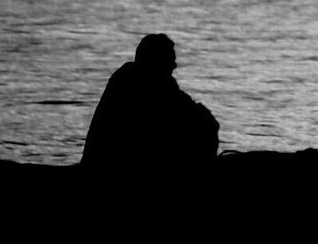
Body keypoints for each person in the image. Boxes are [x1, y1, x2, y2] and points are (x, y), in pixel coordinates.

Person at [81, 33, 219, 171]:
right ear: (158, 61)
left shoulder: (128, 77)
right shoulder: (145, 82)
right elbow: (203, 120)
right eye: (170, 60)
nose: (174, 65)